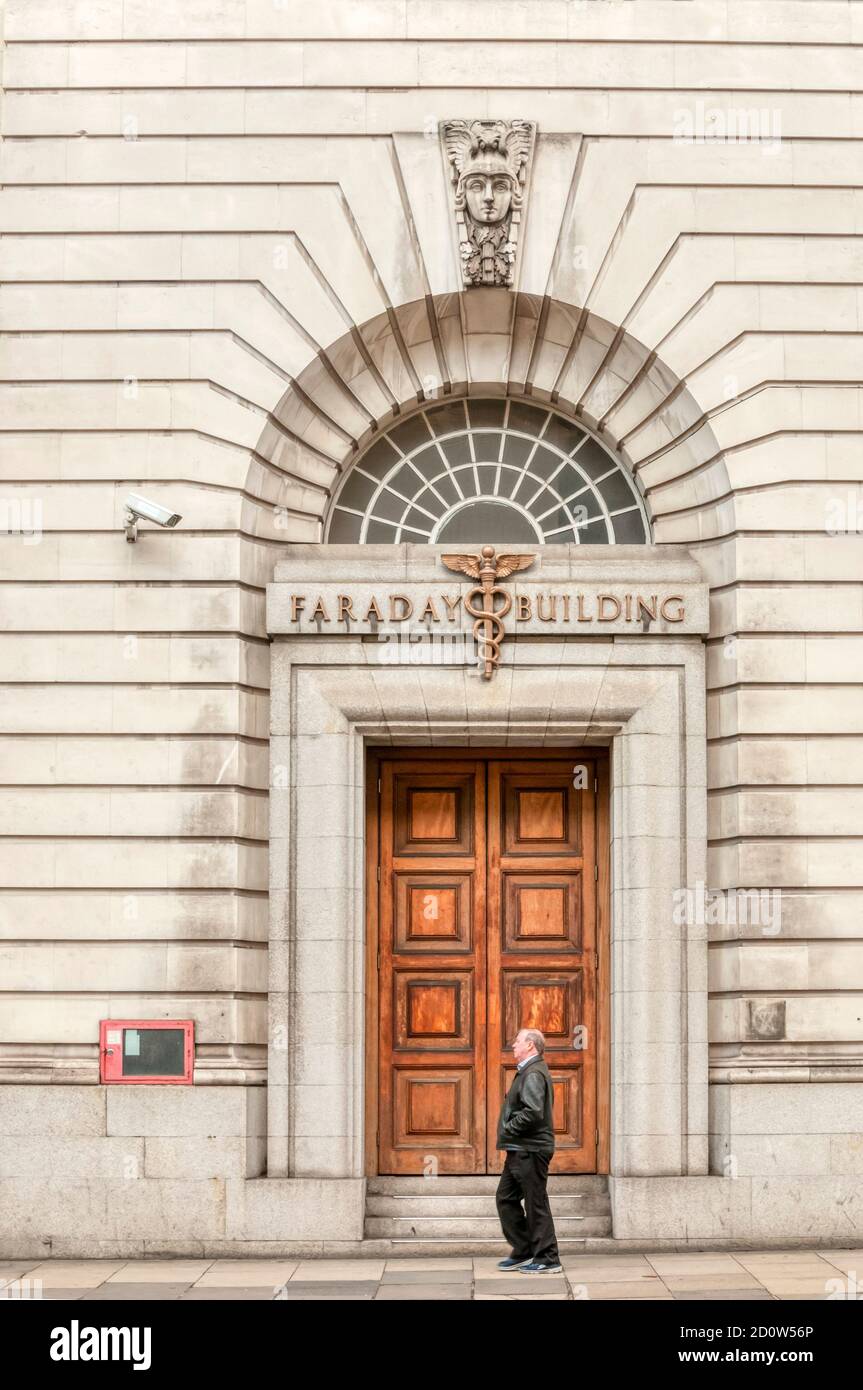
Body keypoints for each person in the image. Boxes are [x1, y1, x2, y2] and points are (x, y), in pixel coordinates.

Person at [494, 1027, 562, 1273]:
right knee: (506, 1198)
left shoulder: (533, 1073)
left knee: (535, 1202)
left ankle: (547, 1258)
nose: (513, 1045)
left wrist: (509, 1128)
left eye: (517, 1041)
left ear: (531, 1045)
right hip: (520, 1148)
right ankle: (523, 1249)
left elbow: (533, 1112)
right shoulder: (528, 1071)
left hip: (530, 1148)